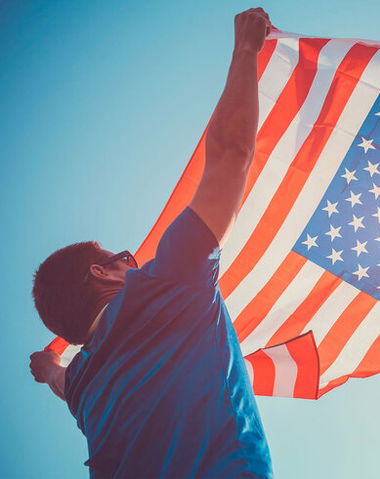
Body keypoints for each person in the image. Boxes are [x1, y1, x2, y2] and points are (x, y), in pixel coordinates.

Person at [28, 8, 274, 478]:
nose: (134, 261)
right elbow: (231, 156)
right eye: (121, 257)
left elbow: (58, 382)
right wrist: (246, 50)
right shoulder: (168, 281)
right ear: (99, 273)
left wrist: (50, 367)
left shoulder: (83, 388)